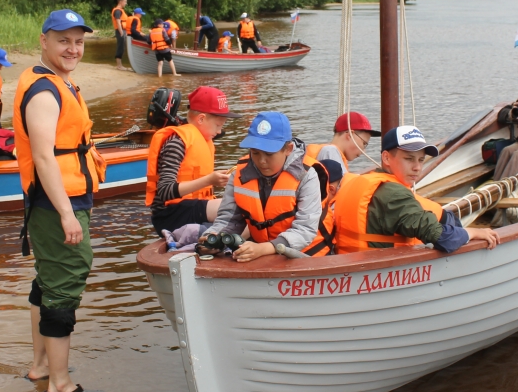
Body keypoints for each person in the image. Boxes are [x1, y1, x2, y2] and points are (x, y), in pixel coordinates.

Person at [15, 9, 105, 392]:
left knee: (48, 279)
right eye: (63, 40)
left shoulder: (59, 82)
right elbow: (44, 156)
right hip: (57, 204)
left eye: (79, 41)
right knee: (66, 279)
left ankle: (40, 366)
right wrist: (68, 213)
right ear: (44, 41)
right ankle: (59, 382)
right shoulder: (44, 92)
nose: (73, 48)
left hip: (62, 199)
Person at [328, 125, 499, 254]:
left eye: (421, 160)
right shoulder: (394, 194)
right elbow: (444, 238)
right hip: (380, 275)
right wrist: (474, 232)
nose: (417, 167)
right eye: (409, 159)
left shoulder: (361, 181)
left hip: (352, 262)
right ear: (386, 158)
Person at [198, 112, 323, 263]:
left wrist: (264, 248)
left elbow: (305, 230)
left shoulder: (307, 175)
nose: (262, 161)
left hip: (304, 256)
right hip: (259, 253)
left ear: (288, 149)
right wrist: (214, 237)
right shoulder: (239, 174)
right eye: (255, 153)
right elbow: (229, 219)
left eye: (269, 154)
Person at [146, 86, 239, 235]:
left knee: (249, 207)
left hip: (192, 208)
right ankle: (207, 235)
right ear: (201, 119)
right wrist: (209, 180)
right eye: (218, 125)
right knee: (237, 208)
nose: (220, 131)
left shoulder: (201, 138)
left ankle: (212, 235)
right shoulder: (177, 142)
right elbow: (164, 191)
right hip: (170, 215)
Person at [306, 111, 380, 174]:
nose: (364, 151)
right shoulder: (330, 152)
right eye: (364, 144)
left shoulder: (332, 153)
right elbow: (340, 188)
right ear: (350, 135)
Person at [111, 0, 130, 70]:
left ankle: (120, 65)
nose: (126, 3)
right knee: (120, 47)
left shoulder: (120, 10)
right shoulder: (117, 11)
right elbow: (118, 22)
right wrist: (121, 32)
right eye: (125, 2)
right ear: (120, 1)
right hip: (120, 31)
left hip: (122, 30)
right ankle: (119, 66)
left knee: (122, 47)